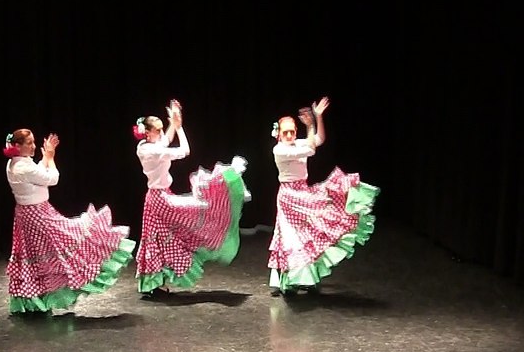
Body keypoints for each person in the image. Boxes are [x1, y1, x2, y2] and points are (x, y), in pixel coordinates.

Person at [3, 129, 135, 314]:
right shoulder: (23, 167)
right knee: (68, 241)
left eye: (33, 142)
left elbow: (37, 174)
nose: (33, 146)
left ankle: (37, 298)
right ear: (17, 146)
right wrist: (51, 157)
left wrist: (46, 158)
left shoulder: (16, 163)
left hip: (29, 214)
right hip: (38, 215)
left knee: (39, 254)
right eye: (29, 143)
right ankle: (51, 290)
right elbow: (52, 178)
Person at [132, 99, 250, 298]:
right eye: (158, 130)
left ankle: (152, 284)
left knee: (156, 239)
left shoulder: (144, 146)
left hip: (156, 197)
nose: (161, 133)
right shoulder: (153, 150)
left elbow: (164, 140)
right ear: (148, 133)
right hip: (160, 199)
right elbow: (184, 150)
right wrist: (179, 128)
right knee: (197, 210)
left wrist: (172, 124)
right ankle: (155, 282)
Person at [268, 99, 379, 295]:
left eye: (292, 131)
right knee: (290, 237)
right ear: (279, 134)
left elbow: (319, 139)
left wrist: (318, 118)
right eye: (285, 132)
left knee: (307, 233)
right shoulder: (279, 149)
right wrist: (309, 126)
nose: (289, 135)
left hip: (302, 191)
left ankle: (302, 277)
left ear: (296, 131)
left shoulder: (298, 143)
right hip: (289, 196)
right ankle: (287, 278)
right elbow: (311, 149)